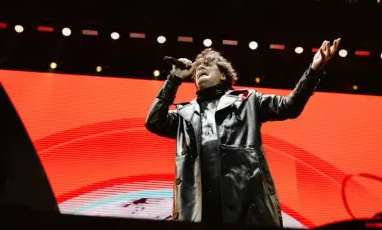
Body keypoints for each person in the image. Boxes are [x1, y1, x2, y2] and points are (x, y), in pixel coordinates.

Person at [145, 39, 341, 225]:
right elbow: (153, 121)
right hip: (198, 213)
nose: (201, 68)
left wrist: (313, 71)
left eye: (208, 65)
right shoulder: (185, 114)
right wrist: (173, 79)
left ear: (223, 75)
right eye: (197, 69)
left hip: (246, 210)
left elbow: (289, 106)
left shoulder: (248, 100)